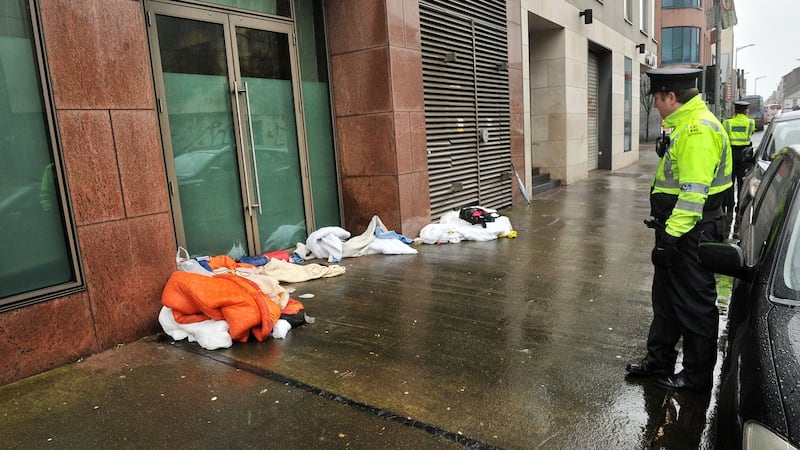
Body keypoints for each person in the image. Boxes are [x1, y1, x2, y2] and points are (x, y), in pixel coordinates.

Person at [626, 68, 733, 392]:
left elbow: (692, 195)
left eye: (657, 99)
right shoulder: (684, 126)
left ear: (671, 97)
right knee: (666, 300)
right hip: (679, 229)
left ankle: (696, 378)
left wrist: (671, 238)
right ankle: (659, 361)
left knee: (694, 306)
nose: (655, 106)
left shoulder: (697, 131)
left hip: (690, 231)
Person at [722, 101, 755, 214]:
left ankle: (729, 206)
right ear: (746, 111)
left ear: (734, 111)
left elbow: (724, 136)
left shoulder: (727, 123)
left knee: (729, 182)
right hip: (744, 155)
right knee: (742, 181)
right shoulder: (751, 122)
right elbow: (751, 134)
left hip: (730, 154)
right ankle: (740, 206)